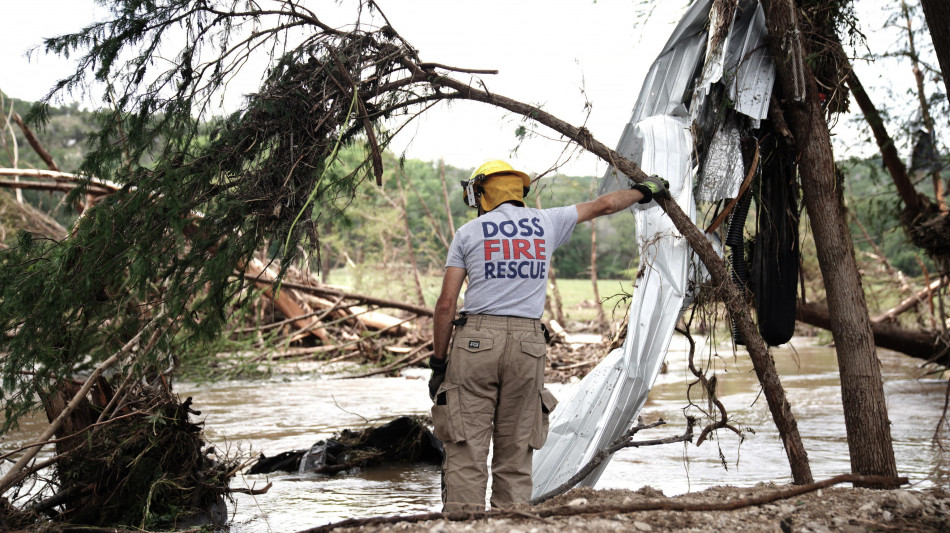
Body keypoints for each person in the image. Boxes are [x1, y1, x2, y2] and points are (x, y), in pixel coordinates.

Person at [428, 159, 669, 513]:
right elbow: (605, 205)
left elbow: (446, 305)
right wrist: (645, 190)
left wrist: (438, 363)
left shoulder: (468, 233)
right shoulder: (546, 221)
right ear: (518, 190)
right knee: (516, 447)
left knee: (465, 447)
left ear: (482, 193)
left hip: (476, 341)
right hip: (528, 345)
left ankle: (464, 524)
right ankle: (512, 520)